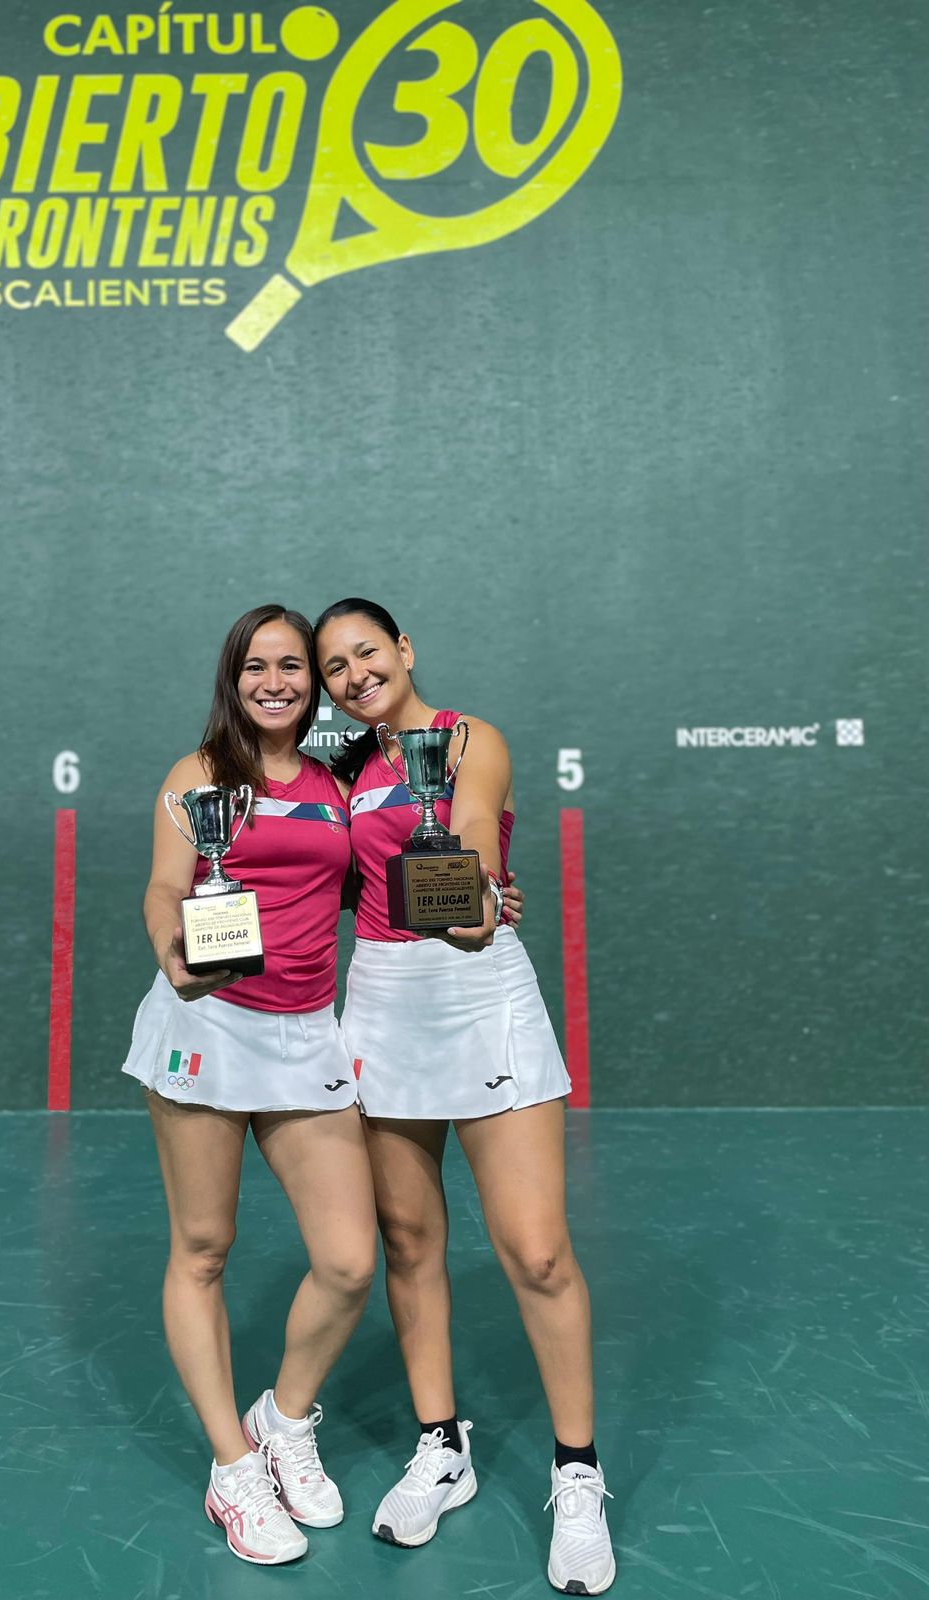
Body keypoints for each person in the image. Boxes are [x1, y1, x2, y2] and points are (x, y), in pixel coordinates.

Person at [314, 597, 616, 1597]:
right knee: (409, 1239)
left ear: (404, 649)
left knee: (536, 1248)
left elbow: (473, 829)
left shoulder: (469, 737)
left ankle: (577, 1472)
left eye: (368, 651)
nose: (355, 673)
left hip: (483, 998)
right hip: (385, 1004)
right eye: (335, 668)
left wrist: (477, 893)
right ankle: (442, 1447)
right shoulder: (337, 768)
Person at [122, 604, 377, 1567]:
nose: (276, 681)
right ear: (233, 679)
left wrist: (479, 892)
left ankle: (284, 1419)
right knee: (203, 1247)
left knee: (351, 1261)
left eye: (294, 667)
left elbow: (373, 879)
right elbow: (163, 888)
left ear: (314, 683)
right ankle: (233, 1466)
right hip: (207, 1026)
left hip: (307, 1034)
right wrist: (175, 954)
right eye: (256, 666)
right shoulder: (198, 777)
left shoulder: (333, 784)